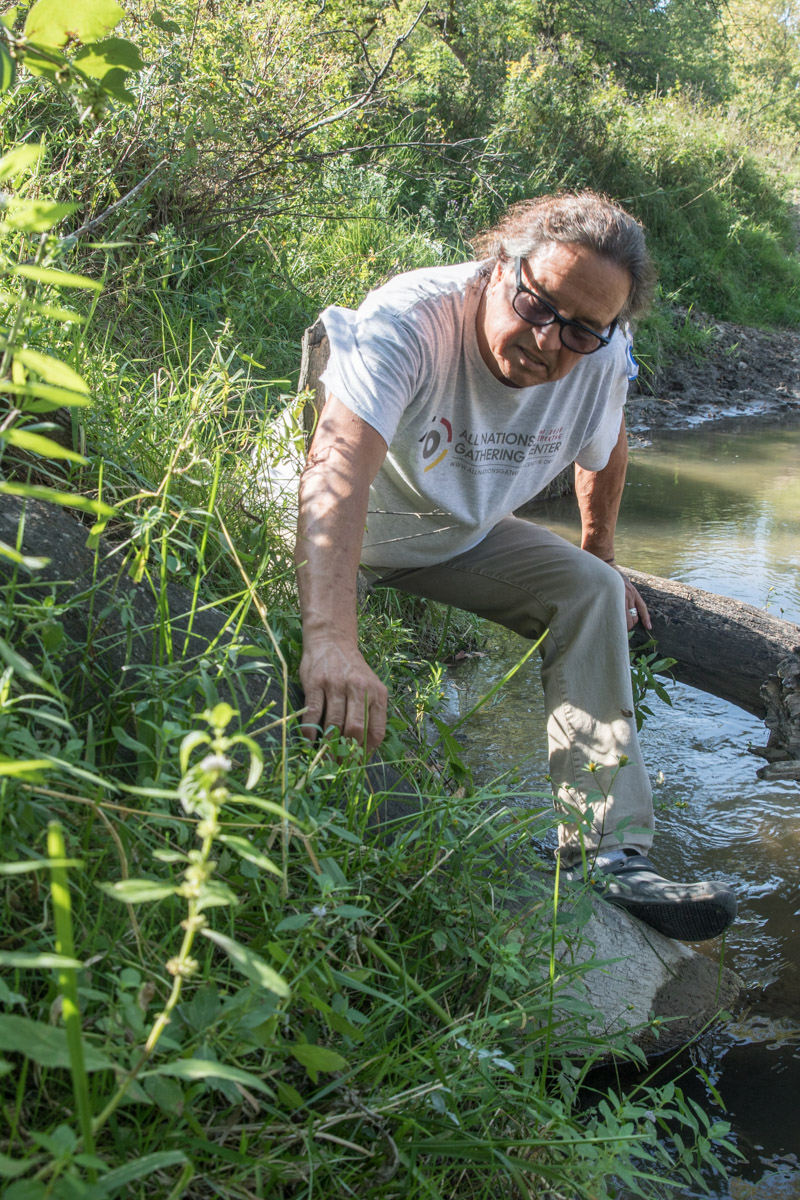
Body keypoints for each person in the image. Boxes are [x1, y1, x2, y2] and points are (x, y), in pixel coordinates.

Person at [294, 191, 736, 942]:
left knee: (592, 592)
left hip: (455, 538)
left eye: (580, 330)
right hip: (331, 529)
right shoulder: (411, 319)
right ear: (501, 266)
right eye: (538, 304)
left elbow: (608, 443)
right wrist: (331, 636)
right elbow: (335, 464)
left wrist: (601, 552)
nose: (548, 339)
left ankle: (603, 847)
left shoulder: (600, 355)